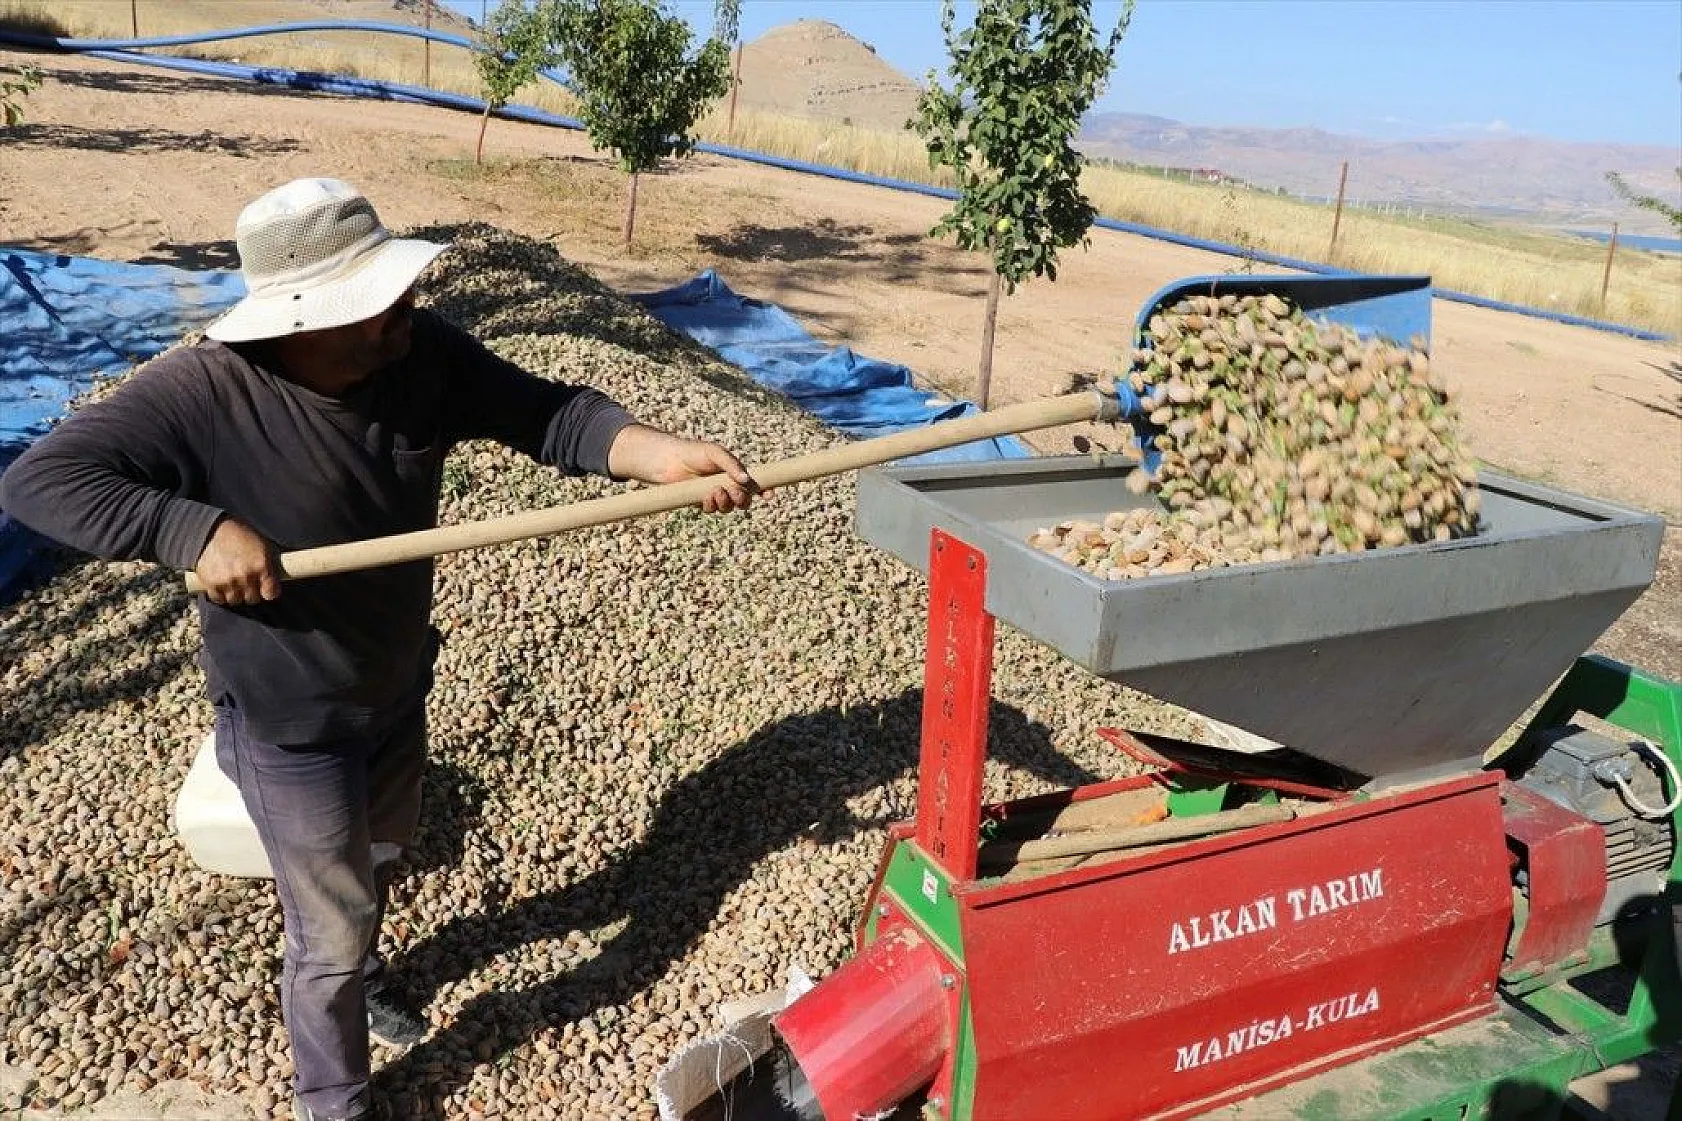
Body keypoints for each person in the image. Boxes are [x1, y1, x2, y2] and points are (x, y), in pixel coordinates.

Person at [0, 177, 759, 1121]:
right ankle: (337, 1098)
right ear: (297, 317)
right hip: (295, 725)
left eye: (395, 288)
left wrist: (652, 449)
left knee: (381, 858)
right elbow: (40, 481)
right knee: (328, 928)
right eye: (374, 301)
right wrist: (187, 530)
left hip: (397, 684)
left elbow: (546, 414)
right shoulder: (201, 393)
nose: (403, 309)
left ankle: (369, 971)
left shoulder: (418, 354)